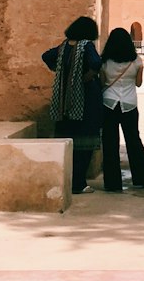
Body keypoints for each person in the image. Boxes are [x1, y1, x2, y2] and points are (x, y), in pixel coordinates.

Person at [42, 16, 103, 195]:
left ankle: (68, 182)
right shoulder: (86, 46)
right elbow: (96, 63)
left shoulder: (63, 46)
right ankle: (78, 184)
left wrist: (62, 72)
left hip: (64, 101)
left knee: (69, 142)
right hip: (85, 100)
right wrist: (87, 77)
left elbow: (46, 56)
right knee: (85, 143)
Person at [100, 26, 144, 192]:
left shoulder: (105, 62)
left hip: (109, 103)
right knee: (133, 140)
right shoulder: (136, 61)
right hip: (129, 104)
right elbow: (138, 83)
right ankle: (141, 178)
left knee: (110, 143)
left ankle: (112, 183)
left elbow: (102, 83)